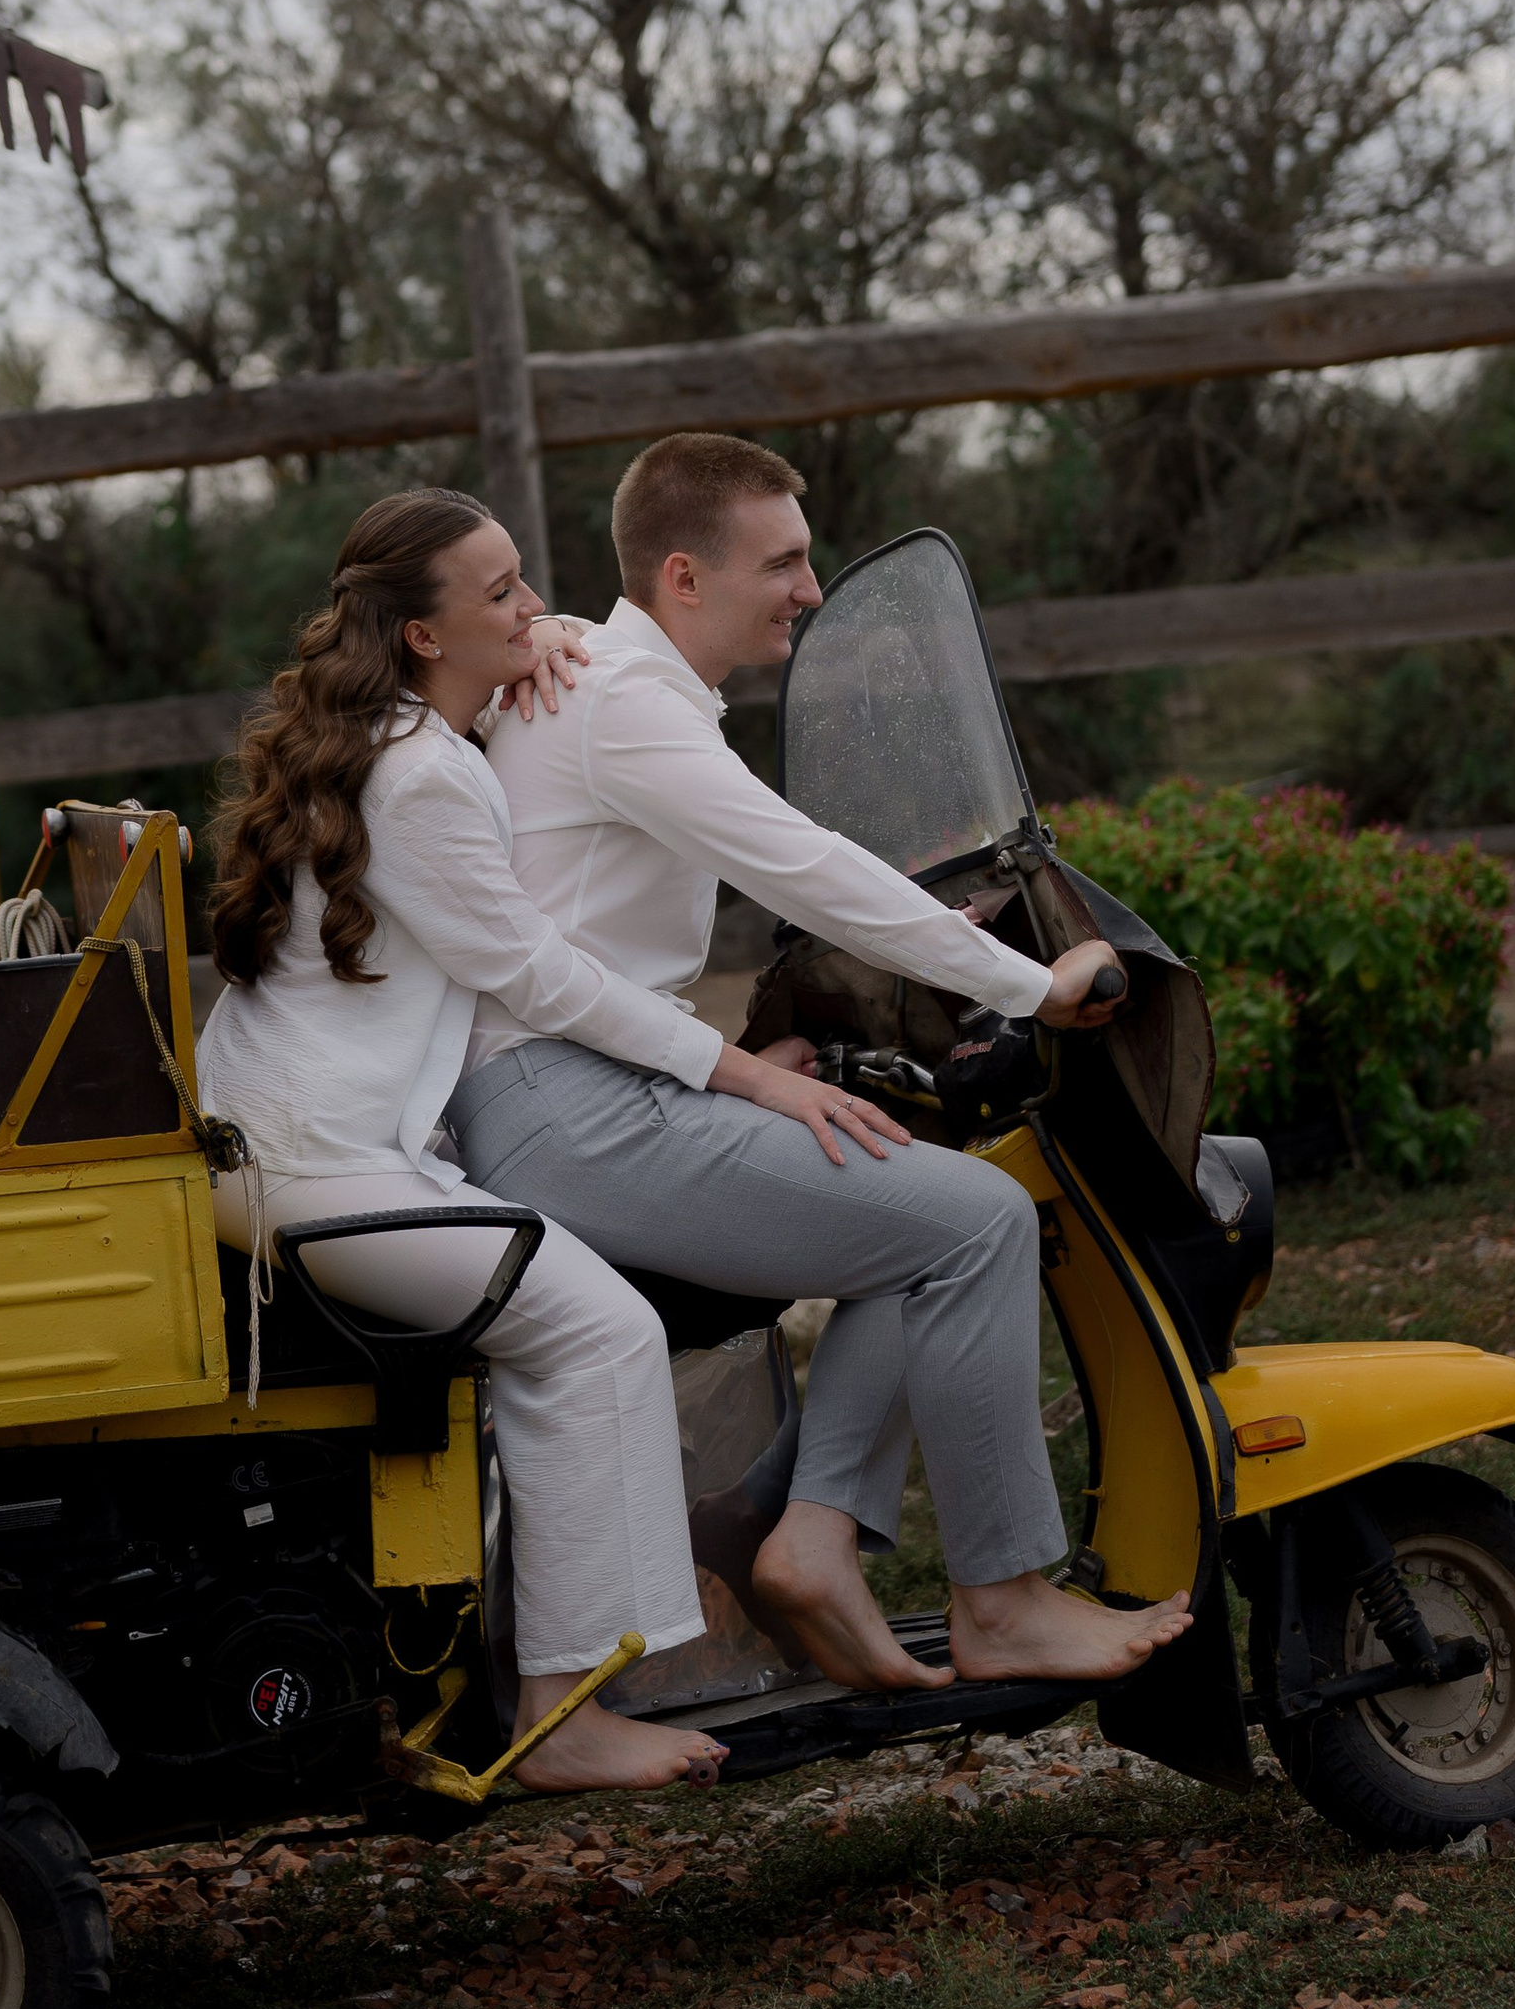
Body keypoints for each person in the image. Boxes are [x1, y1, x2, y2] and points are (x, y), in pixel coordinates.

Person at [449, 431, 1195, 1701]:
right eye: (782, 562)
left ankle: (809, 1543)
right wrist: (1029, 984)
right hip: (564, 1108)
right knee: (980, 1220)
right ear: (684, 577)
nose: (808, 587)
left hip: (583, 1089)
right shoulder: (622, 703)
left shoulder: (607, 680)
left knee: (917, 1194)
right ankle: (1002, 1602)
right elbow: (801, 864)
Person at [196, 484, 845, 1793]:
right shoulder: (426, 778)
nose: (536, 606)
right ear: (423, 635)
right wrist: (741, 1080)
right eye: (502, 593)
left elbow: (538, 671)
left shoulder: (400, 735)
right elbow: (541, 978)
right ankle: (567, 1710)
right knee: (597, 1330)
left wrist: (532, 644)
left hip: (288, 1148)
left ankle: (541, 1669)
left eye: (526, 581)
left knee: (577, 1323)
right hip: (316, 1172)